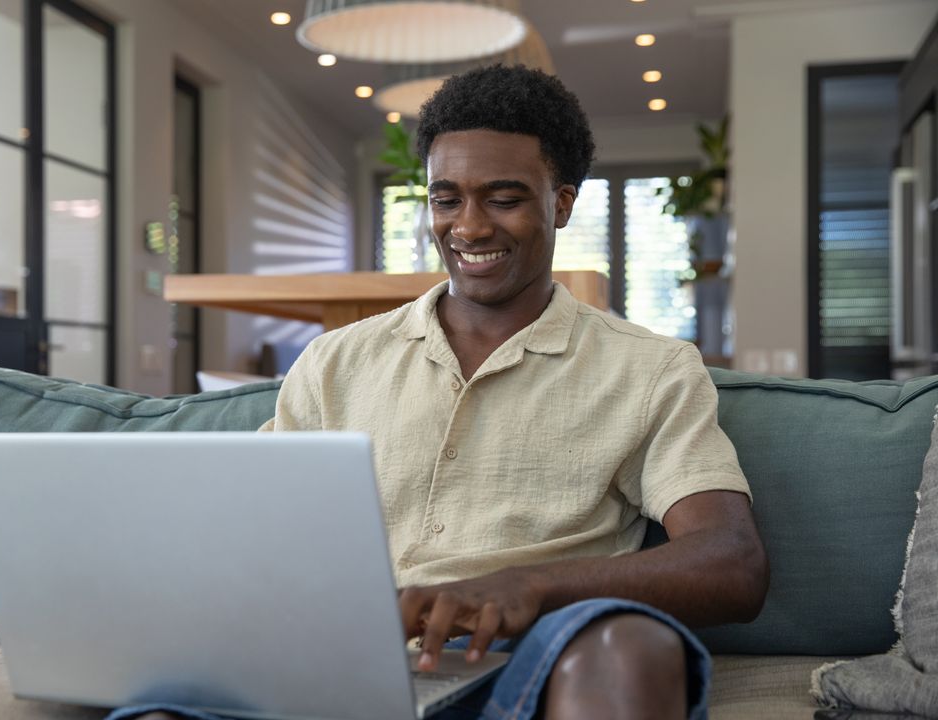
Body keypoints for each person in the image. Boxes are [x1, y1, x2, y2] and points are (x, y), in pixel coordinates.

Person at [121, 64, 767, 720]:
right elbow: (252, 529)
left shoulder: (650, 370)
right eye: (446, 198)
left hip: (530, 664)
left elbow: (732, 562)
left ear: (562, 203)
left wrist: (534, 585)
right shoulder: (334, 363)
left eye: (505, 198)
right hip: (340, 657)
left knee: (631, 644)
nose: (469, 227)